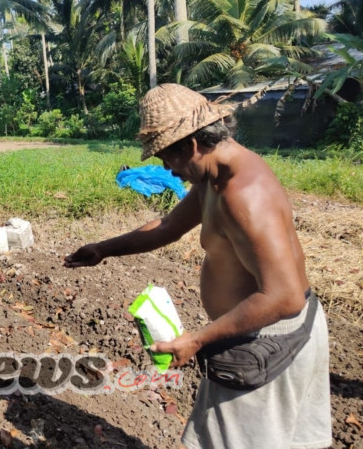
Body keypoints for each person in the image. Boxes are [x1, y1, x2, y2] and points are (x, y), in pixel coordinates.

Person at [64, 84, 331, 448]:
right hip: (264, 333)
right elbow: (170, 226)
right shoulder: (213, 177)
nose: (166, 170)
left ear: (190, 145)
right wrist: (103, 249)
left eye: (166, 158)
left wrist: (196, 340)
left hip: (267, 341)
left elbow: (284, 296)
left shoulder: (243, 192)